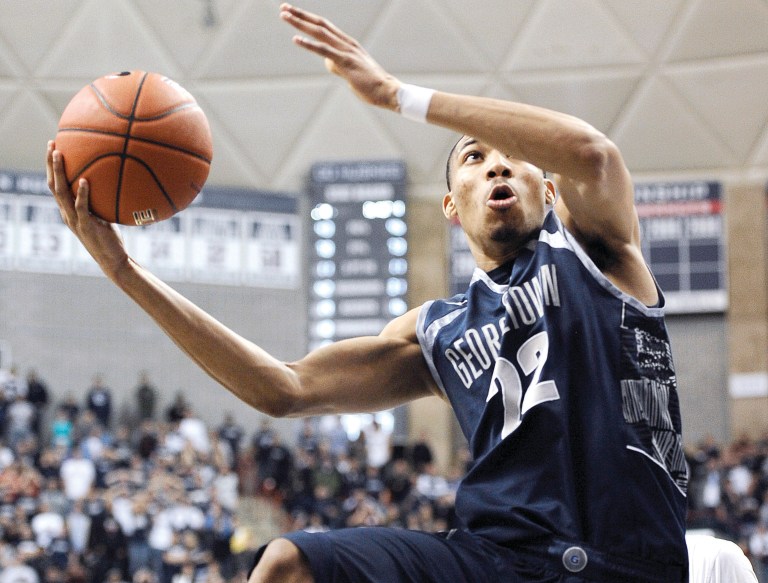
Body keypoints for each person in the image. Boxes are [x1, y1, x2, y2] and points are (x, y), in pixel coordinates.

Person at [46, 3, 689, 581]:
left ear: (550, 191)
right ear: (450, 206)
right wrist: (125, 272)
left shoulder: (596, 252)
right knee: (288, 564)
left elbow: (594, 155)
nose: (496, 163)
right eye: (473, 157)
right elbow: (284, 389)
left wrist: (398, 95)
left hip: (628, 559)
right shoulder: (438, 330)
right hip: (497, 560)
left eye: (515, 157)